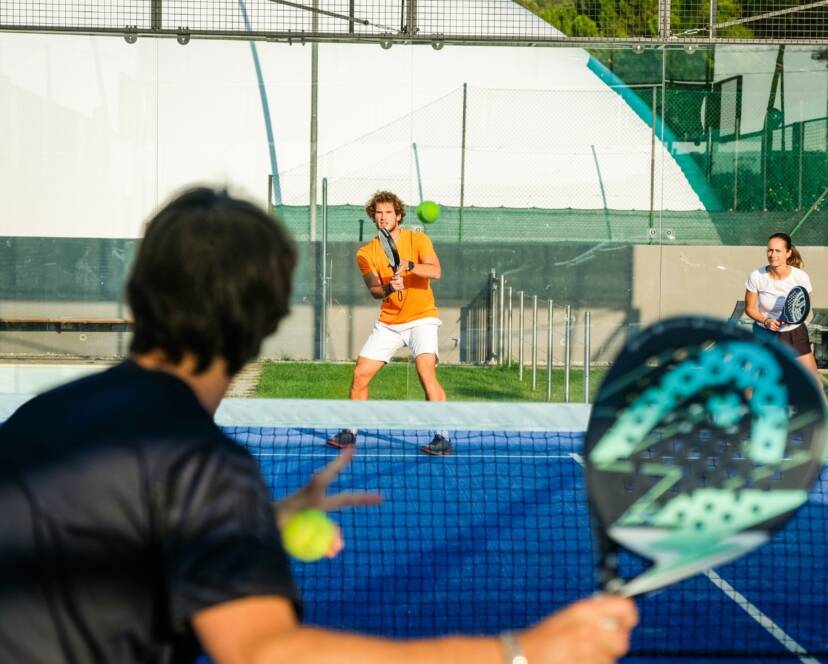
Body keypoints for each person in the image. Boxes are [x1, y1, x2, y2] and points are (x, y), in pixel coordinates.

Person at [0, 187, 637, 664]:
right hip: (388, 322)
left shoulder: (37, 419)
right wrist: (520, 652)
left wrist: (243, 525)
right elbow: (266, 653)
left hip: (416, 318)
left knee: (421, 374)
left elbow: (104, 540)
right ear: (269, 312)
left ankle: (438, 425)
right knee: (362, 380)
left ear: (138, 287)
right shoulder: (201, 467)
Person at [327, 190, 453, 456]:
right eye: (378, 213)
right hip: (389, 322)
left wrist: (409, 266)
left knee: (425, 371)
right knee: (360, 374)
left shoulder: (418, 239)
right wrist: (388, 288)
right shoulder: (366, 253)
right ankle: (351, 432)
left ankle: (443, 436)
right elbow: (374, 289)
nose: (383, 217)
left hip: (422, 318)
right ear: (373, 217)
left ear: (398, 216)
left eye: (388, 212)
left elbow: (435, 271)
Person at [744, 232, 828, 454]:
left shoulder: (800, 277)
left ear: (788, 253)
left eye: (777, 250)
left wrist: (786, 321)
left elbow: (802, 308)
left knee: (814, 383)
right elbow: (750, 308)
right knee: (750, 385)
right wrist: (766, 320)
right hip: (764, 333)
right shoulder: (757, 276)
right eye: (769, 250)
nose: (772, 254)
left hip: (794, 334)